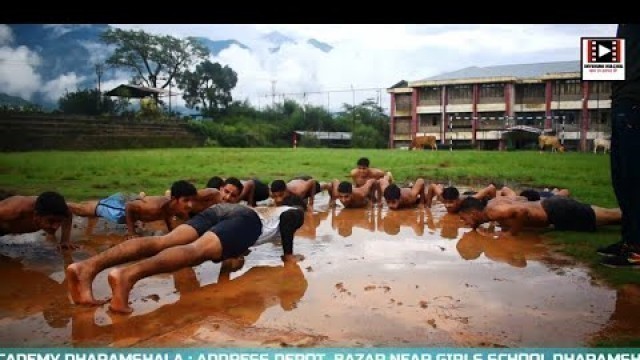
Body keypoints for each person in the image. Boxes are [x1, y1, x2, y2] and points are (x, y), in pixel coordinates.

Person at [65, 196, 307, 313]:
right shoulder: (294, 211)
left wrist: (234, 254)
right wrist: (289, 256)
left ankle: (88, 267)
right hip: (245, 219)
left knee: (163, 241)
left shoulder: (268, 212)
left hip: (223, 212)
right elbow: (288, 222)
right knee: (195, 251)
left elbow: (241, 241)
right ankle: (128, 275)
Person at [599, 24, 640, 268]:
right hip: (622, 99)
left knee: (633, 176)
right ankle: (629, 240)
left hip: (634, 101)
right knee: (622, 177)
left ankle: (636, 247)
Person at [68, 180, 197, 239]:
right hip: (121, 207)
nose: (190, 205)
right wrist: (131, 232)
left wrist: (171, 231)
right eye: (186, 200)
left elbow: (166, 215)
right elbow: (129, 206)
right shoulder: (154, 207)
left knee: (97, 205)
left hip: (132, 199)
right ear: (174, 199)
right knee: (87, 210)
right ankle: (65, 205)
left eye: (191, 200)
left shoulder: (172, 207)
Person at [457, 196, 621, 236]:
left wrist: (511, 233)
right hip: (552, 205)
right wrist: (475, 226)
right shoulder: (493, 204)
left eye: (464, 218)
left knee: (614, 217)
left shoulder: (494, 212)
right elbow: (522, 200)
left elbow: (522, 211)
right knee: (611, 213)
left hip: (557, 212)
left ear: (473, 212)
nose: (464, 223)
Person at [0, 191, 73, 249]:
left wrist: (65, 240)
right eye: (51, 221)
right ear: (36, 214)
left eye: (59, 221)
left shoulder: (64, 210)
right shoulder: (12, 211)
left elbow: (68, 214)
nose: (56, 227)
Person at [425, 183, 498, 214]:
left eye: (451, 202)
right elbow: (432, 186)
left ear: (457, 200)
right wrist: (428, 207)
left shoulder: (468, 200)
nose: (447, 205)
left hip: (476, 198)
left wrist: (493, 211)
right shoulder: (443, 197)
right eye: (445, 202)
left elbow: (491, 188)